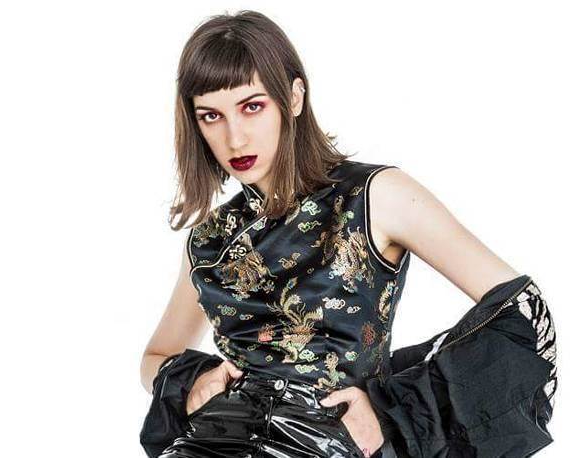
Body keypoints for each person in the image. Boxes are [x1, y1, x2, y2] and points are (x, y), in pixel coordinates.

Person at [139, 10, 556, 458]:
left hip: (330, 443)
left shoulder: (375, 196)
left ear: (293, 97)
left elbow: (522, 308)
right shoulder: (209, 240)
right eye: (211, 116)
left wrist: (394, 413)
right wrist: (194, 381)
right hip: (212, 440)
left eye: (252, 106)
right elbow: (155, 357)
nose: (235, 138)